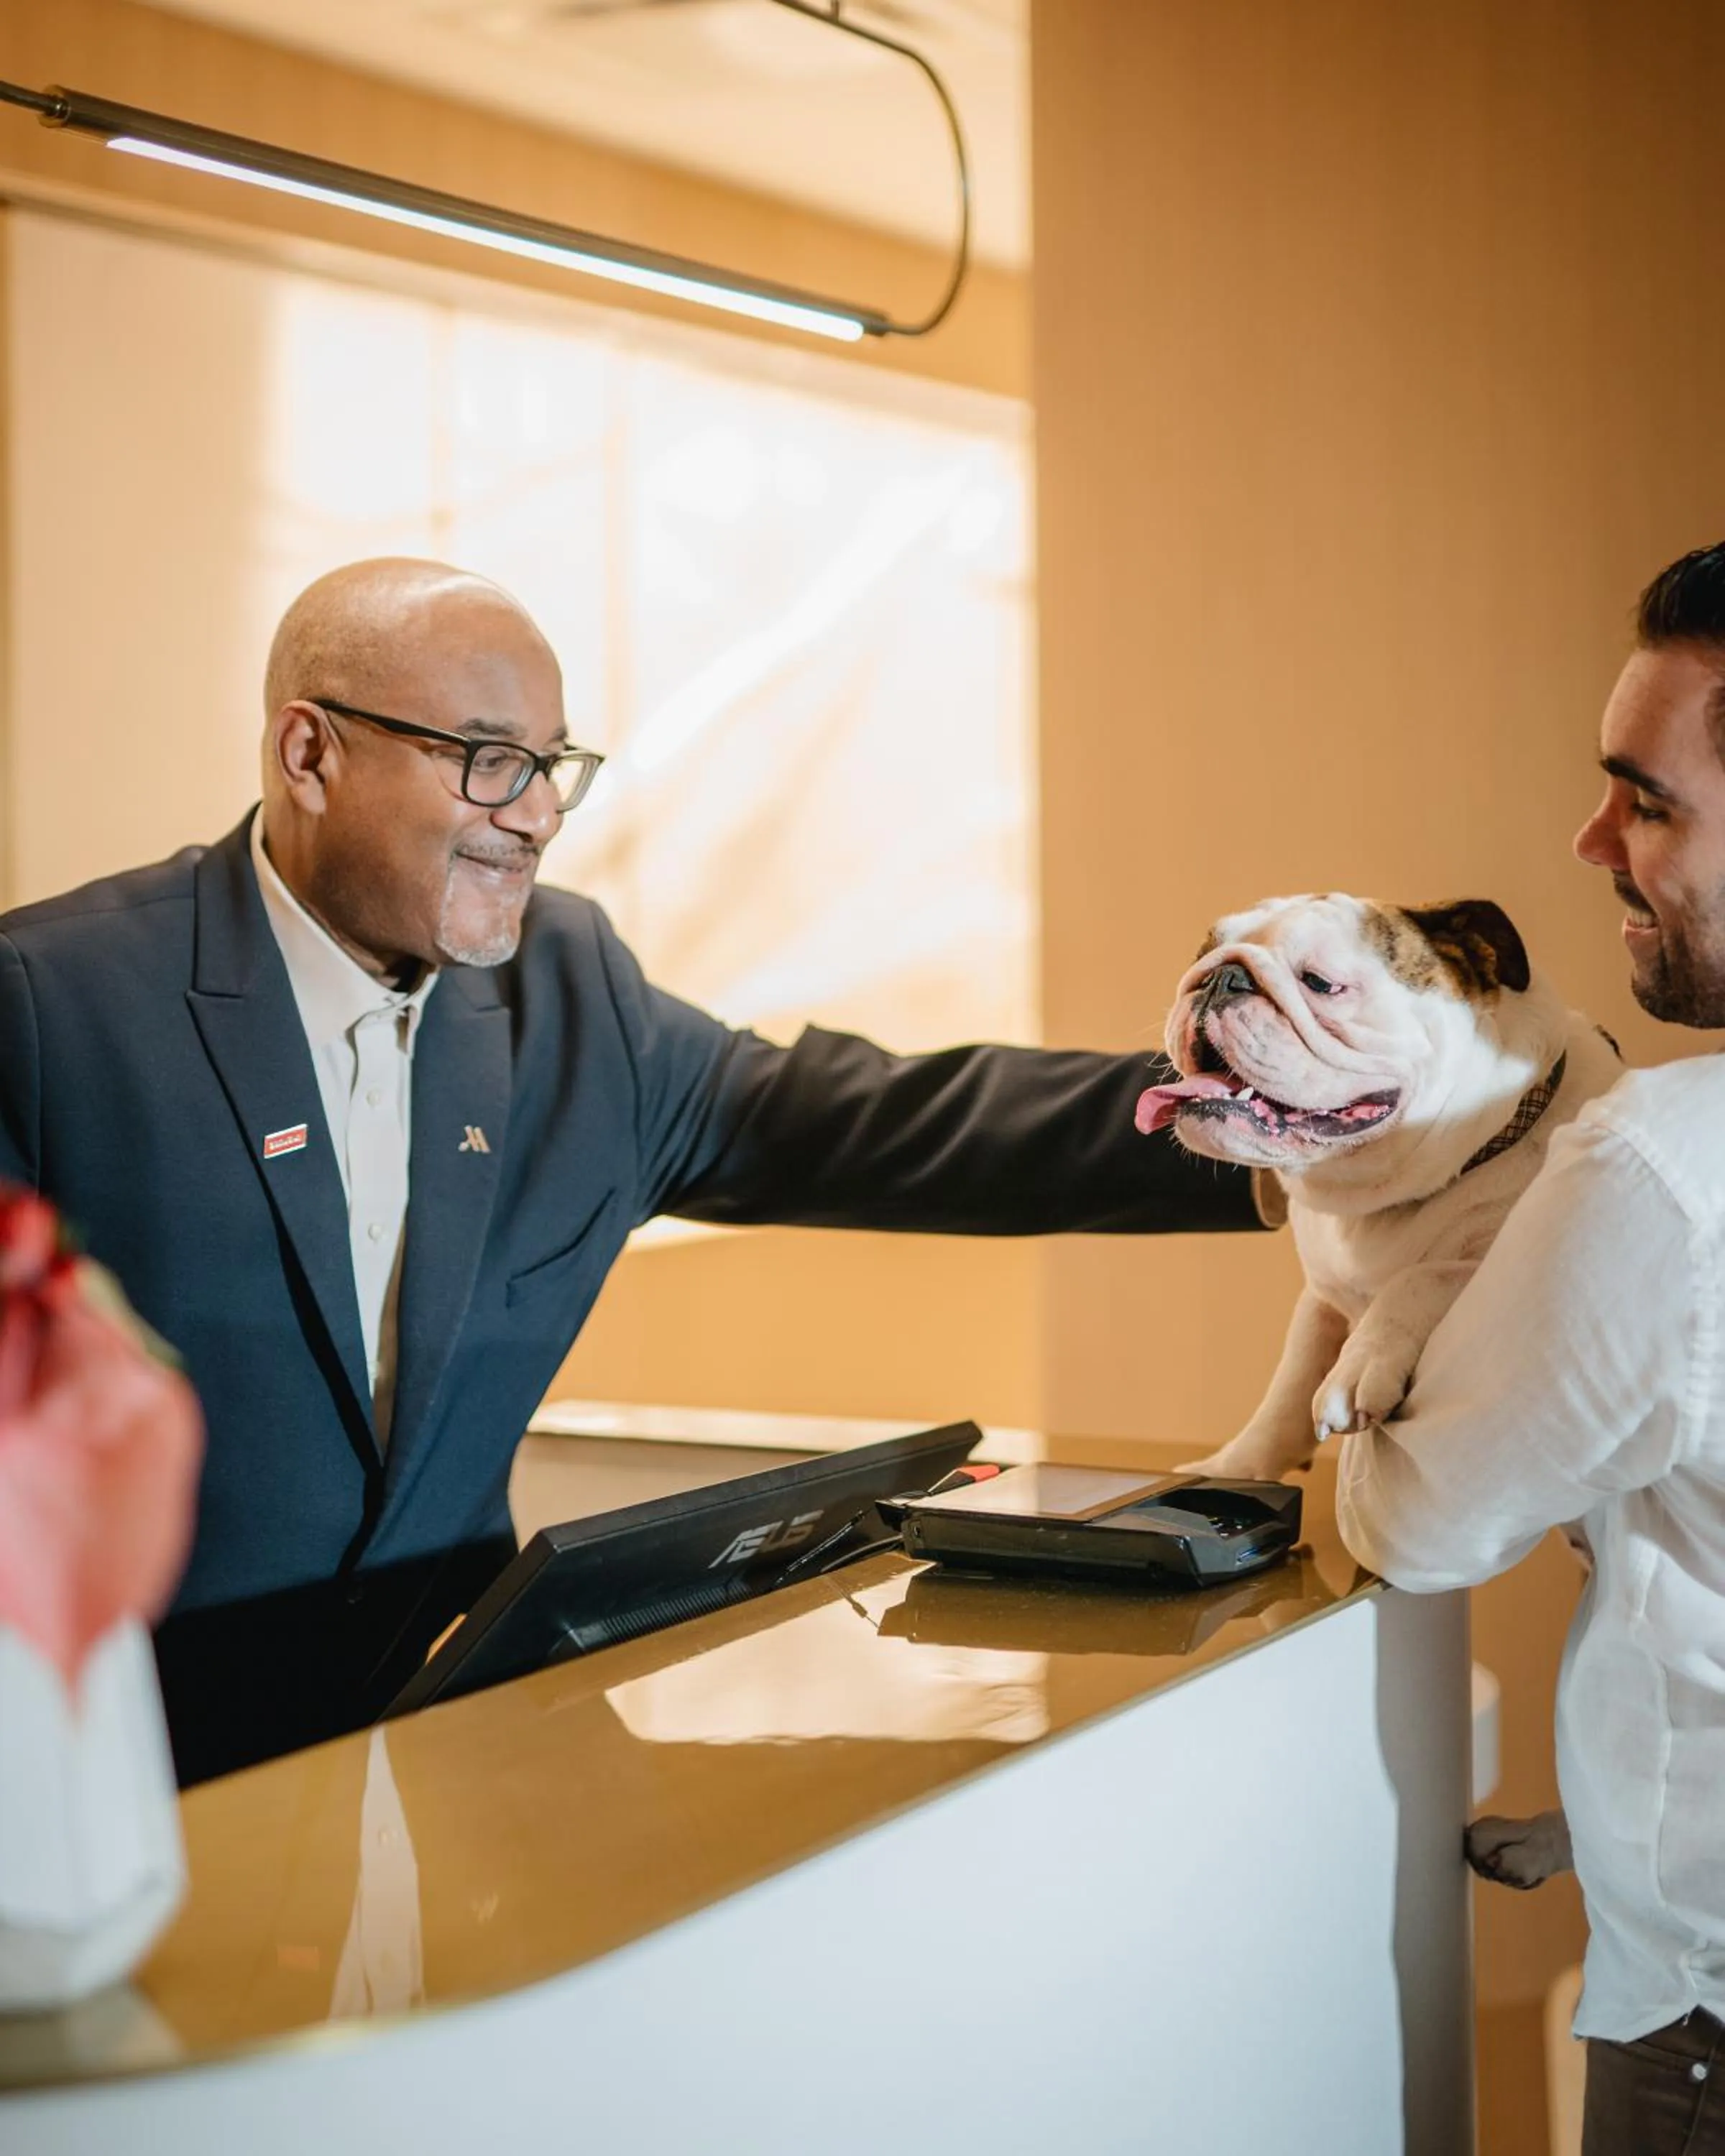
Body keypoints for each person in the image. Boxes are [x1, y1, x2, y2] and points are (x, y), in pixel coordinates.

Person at [0, 558, 1272, 1783]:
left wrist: (1270, 1123)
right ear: (310, 753)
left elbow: (877, 1121)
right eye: (491, 761)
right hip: (129, 1795)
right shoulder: (51, 1008)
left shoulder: (572, 989)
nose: (539, 815)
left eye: (554, 768)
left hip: (456, 1780)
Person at [1336, 540, 1725, 2155]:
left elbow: (1417, 1523)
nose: (1592, 843)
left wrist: (1397, 1312)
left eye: (1649, 802)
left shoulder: (1664, 1172)